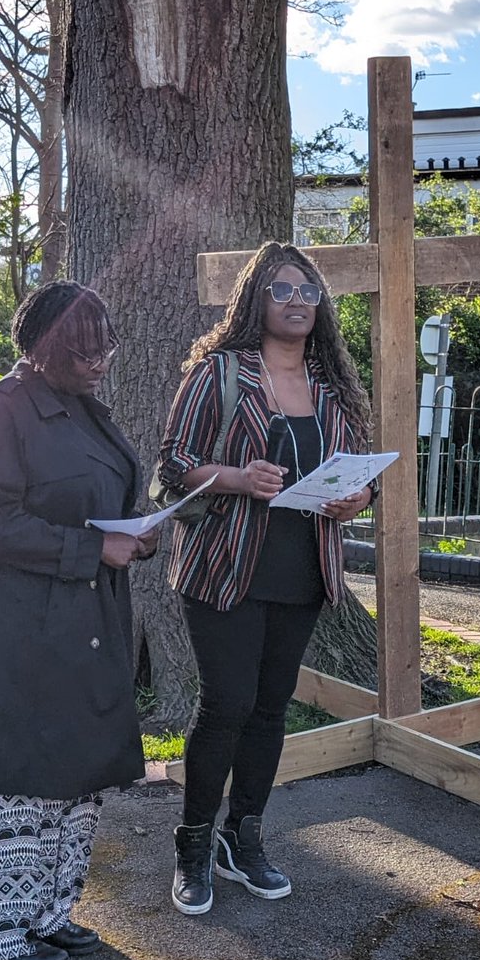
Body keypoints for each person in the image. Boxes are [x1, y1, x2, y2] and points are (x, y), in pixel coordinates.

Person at [0, 280, 158, 960]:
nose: (99, 361)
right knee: (22, 775)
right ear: (42, 346)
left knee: (72, 772)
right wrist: (94, 549)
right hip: (23, 626)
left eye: (106, 348)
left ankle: (45, 915)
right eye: (83, 350)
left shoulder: (83, 408)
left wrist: (137, 534)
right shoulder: (2, 408)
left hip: (83, 617)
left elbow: (103, 494)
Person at [156, 241, 376, 916]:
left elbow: (360, 471)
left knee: (269, 710)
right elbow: (173, 463)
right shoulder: (220, 373)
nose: (297, 303)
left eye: (308, 293)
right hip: (224, 566)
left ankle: (241, 838)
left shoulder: (333, 386)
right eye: (282, 291)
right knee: (226, 704)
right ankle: (192, 847)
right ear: (257, 299)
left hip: (302, 571)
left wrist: (356, 500)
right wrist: (235, 477)